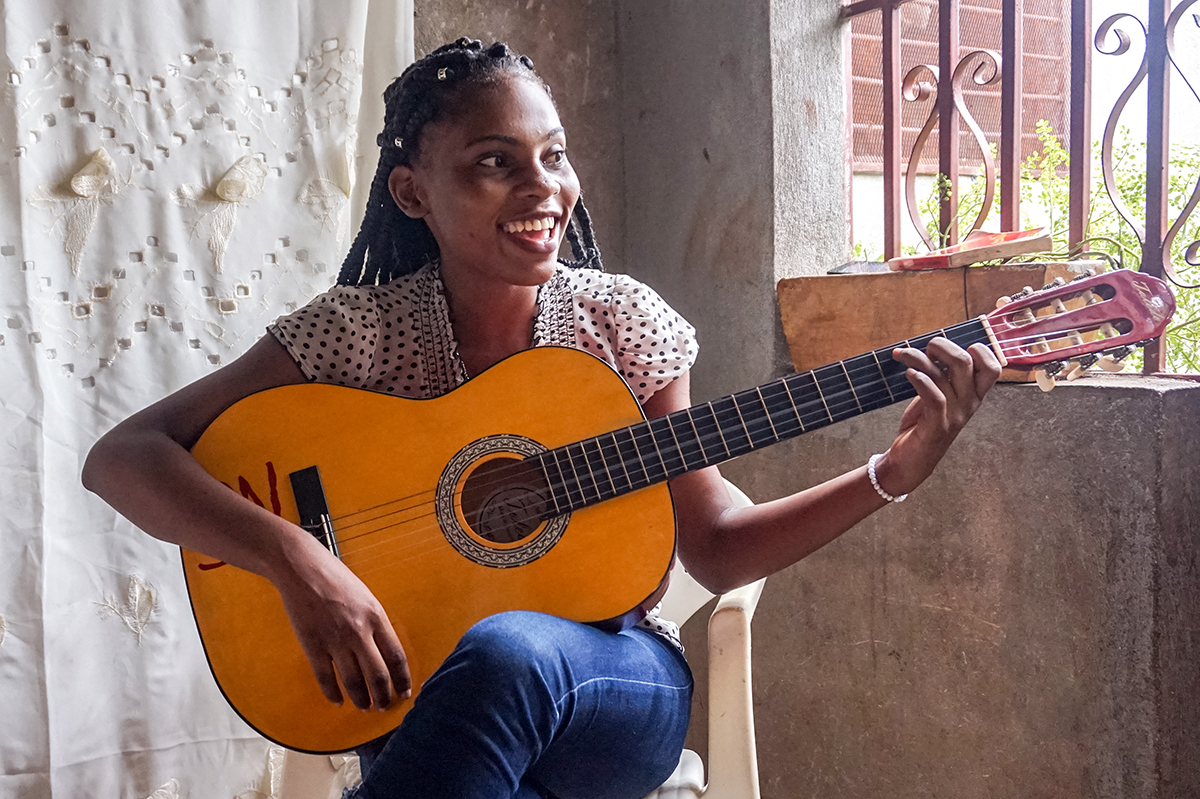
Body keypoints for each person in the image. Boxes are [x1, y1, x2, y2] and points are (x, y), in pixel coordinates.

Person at [83, 38, 1001, 799]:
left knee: (507, 653)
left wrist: (891, 474)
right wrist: (298, 559)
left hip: (616, 684)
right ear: (411, 193)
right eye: (495, 163)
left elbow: (713, 546)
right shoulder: (357, 334)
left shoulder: (620, 322)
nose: (544, 187)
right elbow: (125, 457)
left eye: (554, 156)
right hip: (427, 698)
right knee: (479, 711)